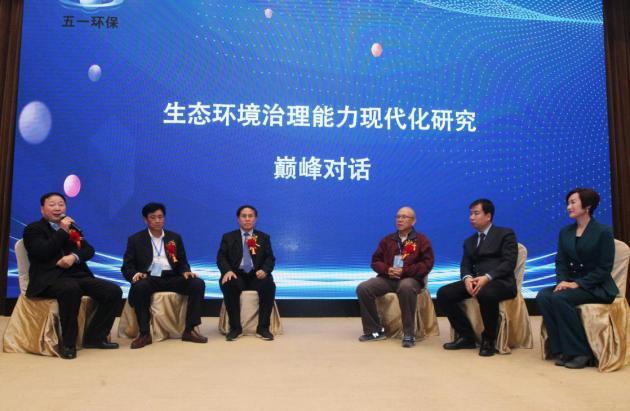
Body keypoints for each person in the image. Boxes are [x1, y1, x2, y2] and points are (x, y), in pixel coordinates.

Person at [23, 192, 121, 359]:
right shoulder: (33, 229)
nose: (57, 208)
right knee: (70, 289)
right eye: (52, 204)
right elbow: (42, 252)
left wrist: (74, 257)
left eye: (61, 204)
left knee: (113, 291)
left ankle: (95, 337)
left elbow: (88, 250)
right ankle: (68, 344)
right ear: (42, 209)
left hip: (77, 276)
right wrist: (62, 231)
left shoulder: (72, 228)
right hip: (49, 278)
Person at [536, 188, 617, 369]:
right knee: (543, 296)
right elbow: (561, 262)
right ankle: (560, 349)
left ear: (587, 206)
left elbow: (604, 269)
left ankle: (581, 352)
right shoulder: (566, 231)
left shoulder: (603, 231)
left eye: (573, 202)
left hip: (596, 286)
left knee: (560, 298)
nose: (568, 207)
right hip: (571, 282)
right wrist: (562, 282)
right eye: (568, 203)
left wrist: (577, 284)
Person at [437, 199, 518, 356]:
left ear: (488, 216)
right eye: (470, 214)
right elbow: (465, 265)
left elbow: (509, 263)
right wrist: (467, 278)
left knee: (485, 292)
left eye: (476, 213)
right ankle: (466, 336)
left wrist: (487, 277)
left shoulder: (505, 234)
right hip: (476, 281)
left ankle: (488, 339)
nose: (471, 217)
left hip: (500, 282)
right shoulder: (469, 241)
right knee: (444, 293)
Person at [121, 202, 207, 349]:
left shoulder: (174, 237)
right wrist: (135, 274)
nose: (157, 220)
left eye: (160, 217)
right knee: (140, 287)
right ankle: (144, 334)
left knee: (197, 283)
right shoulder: (135, 239)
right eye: (153, 217)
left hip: (171, 276)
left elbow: (182, 262)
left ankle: (189, 330)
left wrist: (185, 271)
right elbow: (127, 266)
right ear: (145, 220)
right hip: (149, 278)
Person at [356, 206, 434, 348]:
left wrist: (404, 271)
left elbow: (427, 264)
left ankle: (409, 334)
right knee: (364, 288)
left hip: (411, 279)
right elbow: (375, 261)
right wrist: (387, 270)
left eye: (404, 217)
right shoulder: (388, 240)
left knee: (406, 287)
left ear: (413, 221)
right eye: (398, 217)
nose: (400, 220)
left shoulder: (422, 240)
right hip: (388, 278)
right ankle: (374, 331)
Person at [217, 205, 276, 341]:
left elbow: (270, 258)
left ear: (255, 219)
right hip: (236, 274)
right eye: (244, 216)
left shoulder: (263, 237)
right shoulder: (228, 237)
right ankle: (235, 328)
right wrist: (227, 271)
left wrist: (265, 270)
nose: (247, 219)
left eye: (250, 216)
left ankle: (263, 328)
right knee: (228, 284)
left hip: (256, 275)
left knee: (269, 285)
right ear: (238, 219)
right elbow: (221, 258)